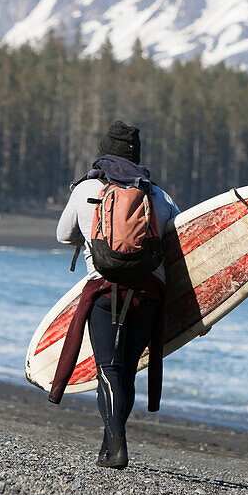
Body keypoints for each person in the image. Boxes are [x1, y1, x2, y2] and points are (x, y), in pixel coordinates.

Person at [54, 120, 180, 469]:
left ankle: (117, 444)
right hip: (149, 294)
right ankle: (108, 445)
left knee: (108, 368)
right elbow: (182, 242)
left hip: (106, 290)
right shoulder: (157, 194)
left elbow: (63, 236)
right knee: (125, 371)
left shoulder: (85, 190)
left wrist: (90, 231)